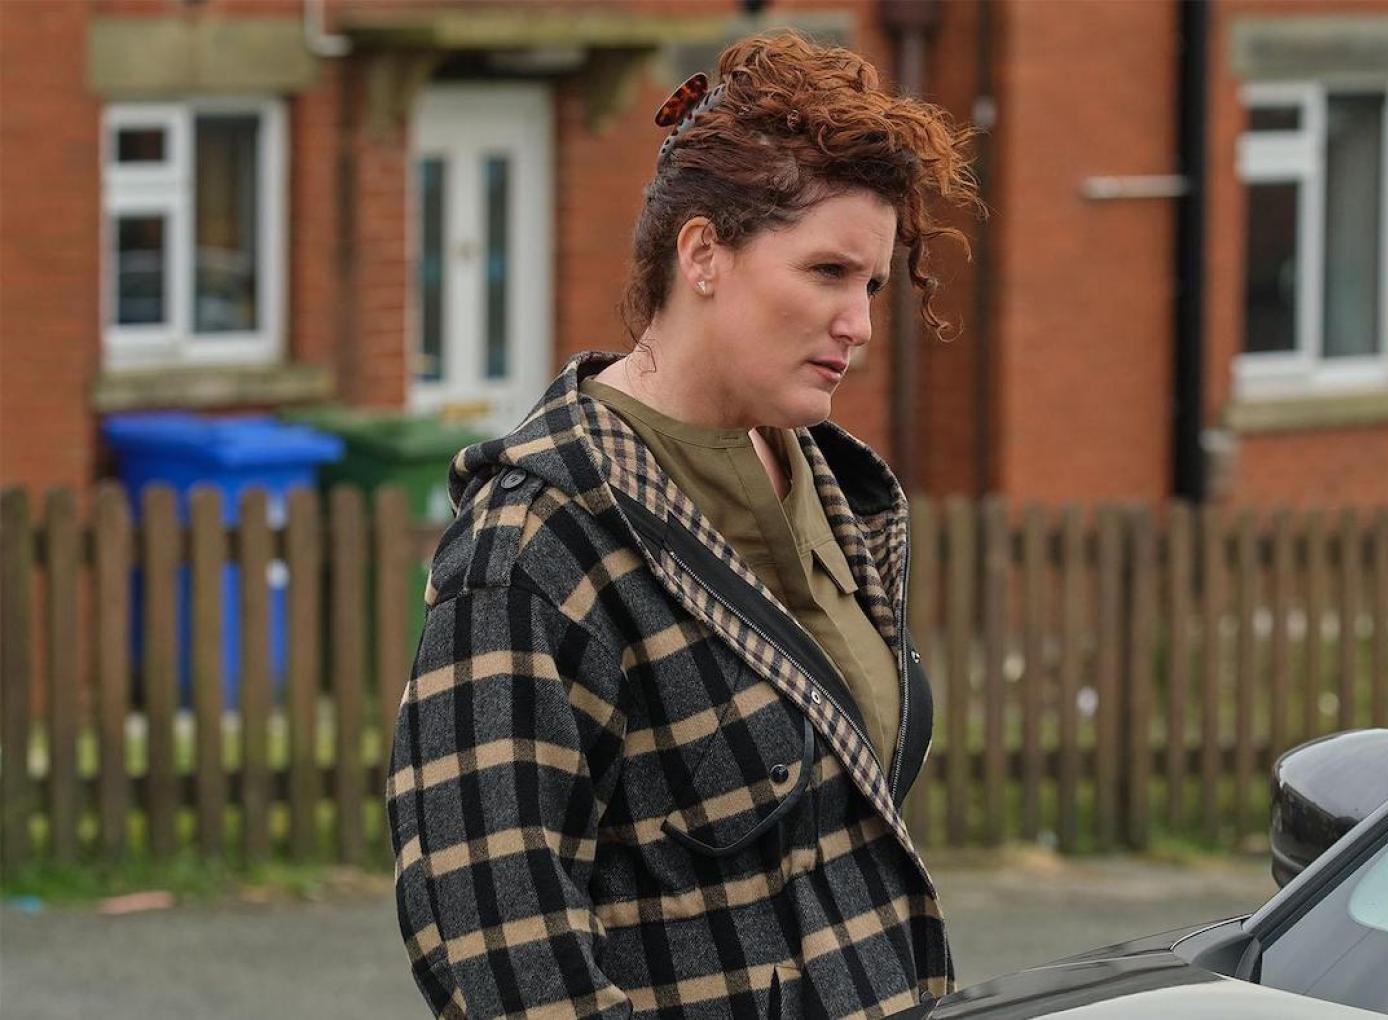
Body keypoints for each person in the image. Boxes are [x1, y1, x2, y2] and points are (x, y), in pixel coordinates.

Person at [386, 30, 981, 1020]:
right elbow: (500, 944)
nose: (861, 323)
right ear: (704, 252)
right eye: (828, 272)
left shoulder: (834, 490)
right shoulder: (540, 537)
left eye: (872, 285)